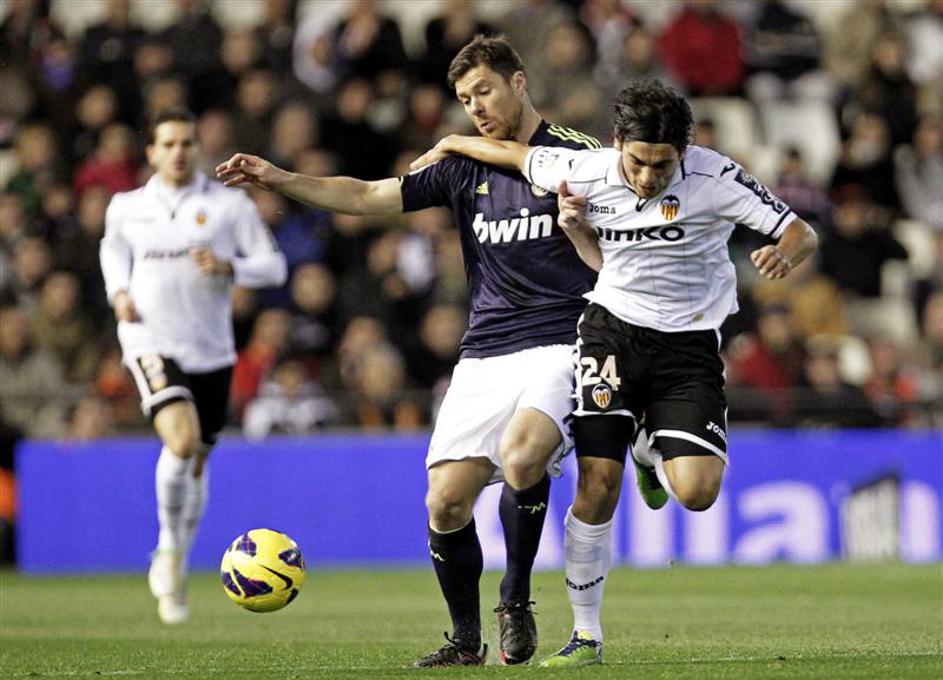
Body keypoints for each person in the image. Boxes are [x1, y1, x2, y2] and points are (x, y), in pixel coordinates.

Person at [216, 35, 600, 667]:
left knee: (524, 454)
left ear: (520, 80)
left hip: (564, 340)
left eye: (484, 90)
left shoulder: (577, 156)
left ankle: (515, 599)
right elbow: (367, 196)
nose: (475, 106)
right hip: (485, 353)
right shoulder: (461, 168)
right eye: (464, 98)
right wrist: (280, 178)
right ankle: (465, 640)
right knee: (445, 500)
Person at [410, 79, 819, 665]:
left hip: (688, 347)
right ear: (617, 143)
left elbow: (800, 230)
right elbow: (517, 154)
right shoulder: (587, 168)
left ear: (686, 149)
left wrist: (785, 253)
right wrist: (454, 140)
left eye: (662, 164)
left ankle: (649, 448)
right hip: (611, 333)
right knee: (596, 484)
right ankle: (586, 636)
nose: (648, 177)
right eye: (637, 161)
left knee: (698, 494)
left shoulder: (718, 178)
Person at [99, 109, 287, 624]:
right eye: (168, 143)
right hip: (149, 340)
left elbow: (273, 265)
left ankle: (177, 559)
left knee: (197, 458)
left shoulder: (228, 206)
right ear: (152, 153)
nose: (178, 152)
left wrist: (231, 266)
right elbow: (112, 250)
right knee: (180, 440)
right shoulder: (127, 207)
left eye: (186, 143)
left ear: (198, 149)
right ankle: (165, 547)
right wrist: (119, 293)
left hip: (211, 349)